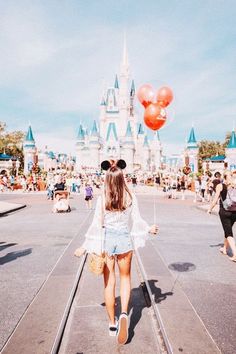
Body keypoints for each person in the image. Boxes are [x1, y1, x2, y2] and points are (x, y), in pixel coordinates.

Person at [74, 160, 158, 344]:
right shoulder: (130, 197)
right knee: (126, 279)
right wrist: (148, 229)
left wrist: (85, 245)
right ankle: (123, 314)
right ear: (122, 178)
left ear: (107, 179)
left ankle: (112, 324)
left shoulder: (103, 198)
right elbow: (137, 220)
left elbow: (96, 224)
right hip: (124, 240)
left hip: (106, 240)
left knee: (109, 283)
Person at [208, 171, 236, 261]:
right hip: (235, 211)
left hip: (224, 211)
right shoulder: (234, 185)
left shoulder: (221, 186)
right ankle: (224, 248)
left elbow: (215, 199)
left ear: (223, 177)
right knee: (227, 229)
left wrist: (210, 209)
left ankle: (235, 254)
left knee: (228, 233)